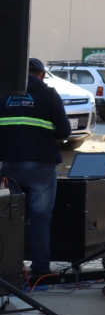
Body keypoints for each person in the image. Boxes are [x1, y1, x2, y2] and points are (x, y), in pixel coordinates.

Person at [0, 58, 72, 283]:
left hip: (9, 166)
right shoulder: (49, 95)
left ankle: (8, 271)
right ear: (41, 74)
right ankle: (40, 270)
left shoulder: (4, 97)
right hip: (41, 167)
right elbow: (64, 132)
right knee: (40, 219)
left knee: (8, 219)